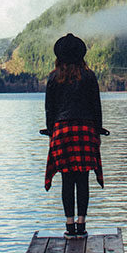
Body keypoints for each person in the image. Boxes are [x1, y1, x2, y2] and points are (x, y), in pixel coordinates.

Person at [44, 33, 104, 239]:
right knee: (83, 179)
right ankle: (82, 225)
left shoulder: (53, 77)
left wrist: (51, 132)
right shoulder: (89, 76)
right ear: (81, 54)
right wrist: (98, 130)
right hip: (85, 130)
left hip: (62, 131)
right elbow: (96, 107)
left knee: (67, 179)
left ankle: (69, 226)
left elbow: (49, 110)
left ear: (59, 55)